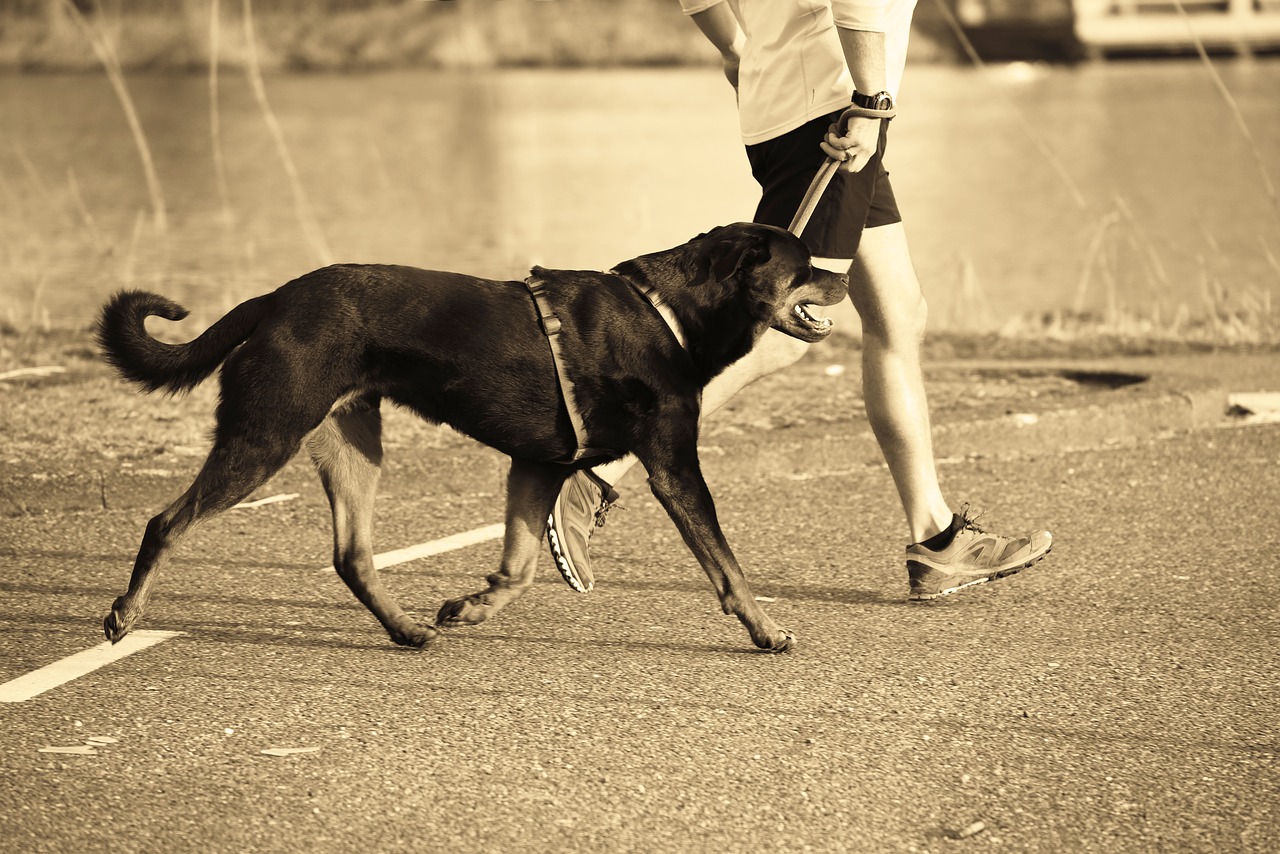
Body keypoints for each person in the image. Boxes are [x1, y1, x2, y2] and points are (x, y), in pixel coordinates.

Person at [546, 0, 1052, 601]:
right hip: (838, 112)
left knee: (899, 313)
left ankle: (939, 540)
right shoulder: (854, 102)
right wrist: (870, 101)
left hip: (800, 106)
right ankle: (598, 472)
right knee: (779, 334)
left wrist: (739, 51)